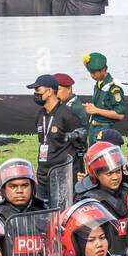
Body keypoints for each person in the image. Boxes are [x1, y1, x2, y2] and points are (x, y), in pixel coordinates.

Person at [29, 74, 84, 206]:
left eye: (38, 90)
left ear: (49, 91)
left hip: (62, 176)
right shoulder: (39, 115)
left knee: (61, 214)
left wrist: (78, 174)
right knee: (43, 213)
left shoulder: (68, 115)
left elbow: (80, 145)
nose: (35, 93)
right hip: (42, 175)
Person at [77, 140, 128, 253]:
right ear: (95, 174)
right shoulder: (89, 203)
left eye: (118, 171)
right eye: (109, 173)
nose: (115, 177)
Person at [81, 52, 126, 145]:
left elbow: (120, 114)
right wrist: (91, 108)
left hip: (105, 131)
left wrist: (96, 110)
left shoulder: (114, 89)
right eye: (90, 72)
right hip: (94, 128)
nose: (91, 75)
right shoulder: (98, 85)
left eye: (94, 72)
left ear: (104, 69)